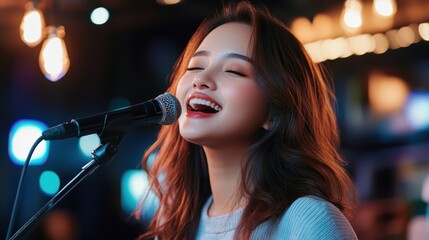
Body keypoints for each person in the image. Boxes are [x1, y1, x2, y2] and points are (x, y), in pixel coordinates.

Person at [136, 1, 357, 239]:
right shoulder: (174, 229)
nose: (201, 79)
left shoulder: (307, 220)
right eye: (195, 66)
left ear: (275, 111)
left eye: (233, 70)